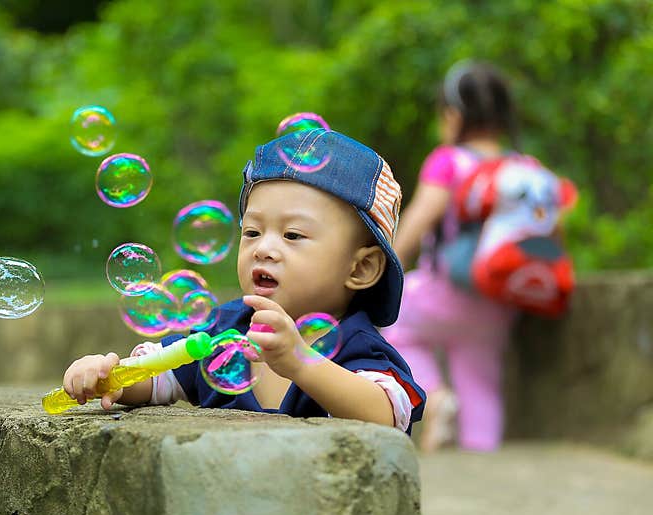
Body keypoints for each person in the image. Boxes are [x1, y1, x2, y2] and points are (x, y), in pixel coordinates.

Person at [62, 129, 425, 433]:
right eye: (251, 231)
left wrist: (300, 361)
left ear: (360, 269)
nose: (264, 248)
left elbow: (386, 416)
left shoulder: (355, 346)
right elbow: (160, 379)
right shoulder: (222, 330)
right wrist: (108, 377)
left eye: (293, 235)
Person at [381, 60, 520, 452]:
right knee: (481, 383)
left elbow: (419, 221)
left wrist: (385, 263)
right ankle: (482, 457)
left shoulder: (449, 161)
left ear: (453, 115)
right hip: (498, 304)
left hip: (443, 294)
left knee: (392, 324)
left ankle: (435, 397)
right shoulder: (522, 166)